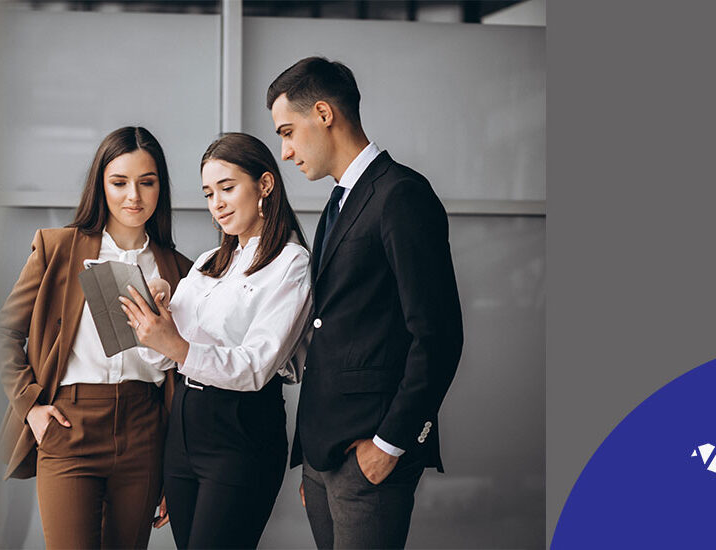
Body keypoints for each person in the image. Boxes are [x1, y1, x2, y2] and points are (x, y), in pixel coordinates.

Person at [267, 57, 464, 548]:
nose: (286, 152)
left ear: (324, 113)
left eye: (288, 132)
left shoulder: (401, 194)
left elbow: (437, 335)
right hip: (324, 455)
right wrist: (313, 458)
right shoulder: (338, 202)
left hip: (372, 454)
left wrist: (390, 445)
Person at [0, 126, 193, 549]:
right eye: (119, 182)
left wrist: (174, 463)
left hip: (145, 430)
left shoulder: (179, 270)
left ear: (161, 188)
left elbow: (183, 366)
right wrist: (31, 407)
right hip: (70, 424)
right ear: (100, 185)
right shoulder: (58, 249)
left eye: (147, 182)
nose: (133, 196)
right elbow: (4, 333)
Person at [120, 132, 312, 549]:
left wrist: (173, 342)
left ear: (264, 185)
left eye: (227, 188)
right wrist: (160, 311)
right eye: (209, 193)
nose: (217, 204)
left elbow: (256, 366)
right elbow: (168, 353)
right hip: (185, 427)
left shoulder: (291, 263)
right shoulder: (210, 261)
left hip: (239, 429)